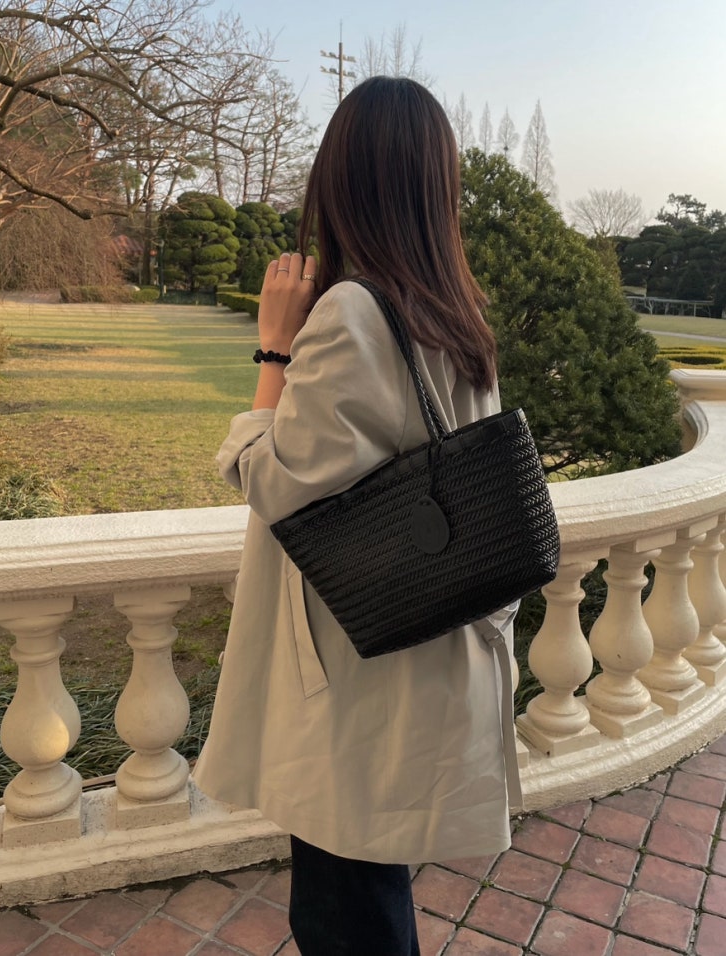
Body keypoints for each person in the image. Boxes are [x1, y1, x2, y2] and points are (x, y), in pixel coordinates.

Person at [193, 76, 520, 956]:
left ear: (340, 182)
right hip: (426, 636)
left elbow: (272, 479)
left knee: (344, 910)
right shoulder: (456, 313)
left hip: (354, 660)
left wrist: (273, 346)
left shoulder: (349, 313)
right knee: (366, 893)